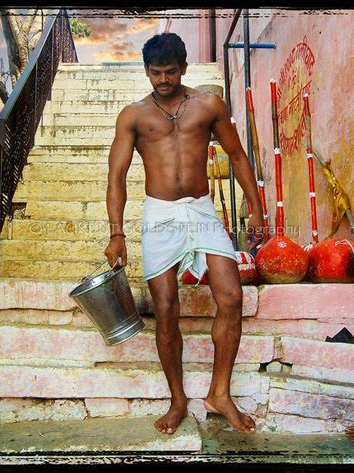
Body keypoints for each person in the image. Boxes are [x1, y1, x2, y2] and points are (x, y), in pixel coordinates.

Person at [105, 32, 263, 435]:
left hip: (200, 210)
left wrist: (256, 209)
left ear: (184, 68)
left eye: (170, 72)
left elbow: (238, 156)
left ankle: (220, 394)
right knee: (167, 307)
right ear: (146, 71)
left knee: (231, 295)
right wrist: (116, 233)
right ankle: (178, 400)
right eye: (155, 73)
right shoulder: (133, 116)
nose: (163, 80)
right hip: (159, 214)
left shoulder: (208, 106)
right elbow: (117, 176)